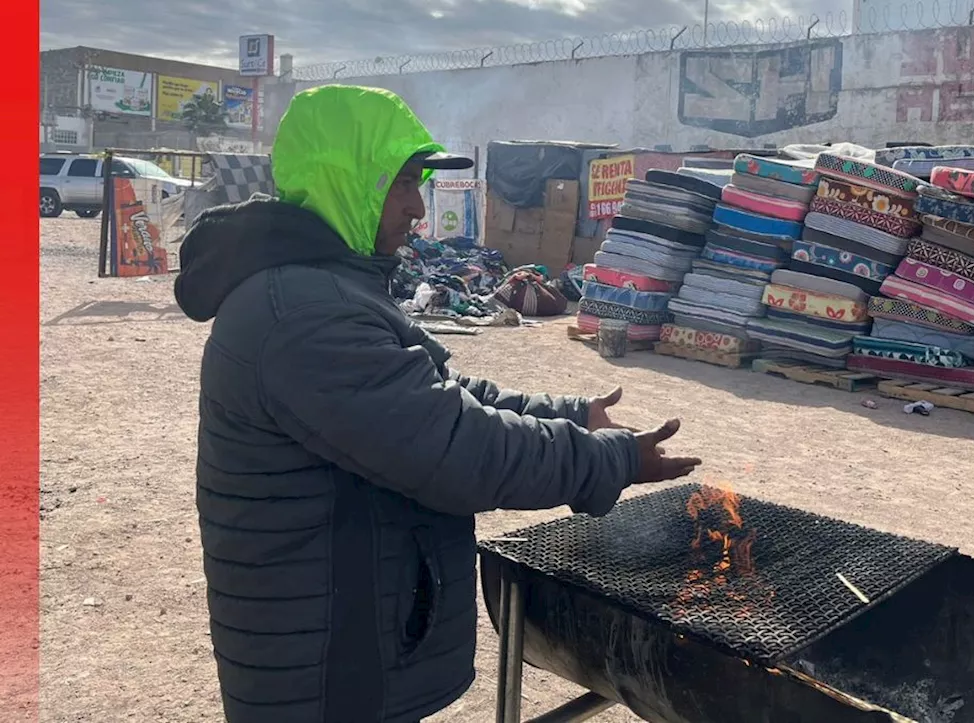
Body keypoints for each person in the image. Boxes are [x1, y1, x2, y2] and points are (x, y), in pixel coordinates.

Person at [173, 84, 701, 723]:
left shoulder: (323, 286)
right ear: (351, 181)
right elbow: (456, 448)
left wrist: (568, 413)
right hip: (326, 666)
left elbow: (430, 395)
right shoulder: (304, 315)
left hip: (339, 637)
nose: (417, 207)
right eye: (402, 183)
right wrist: (607, 461)